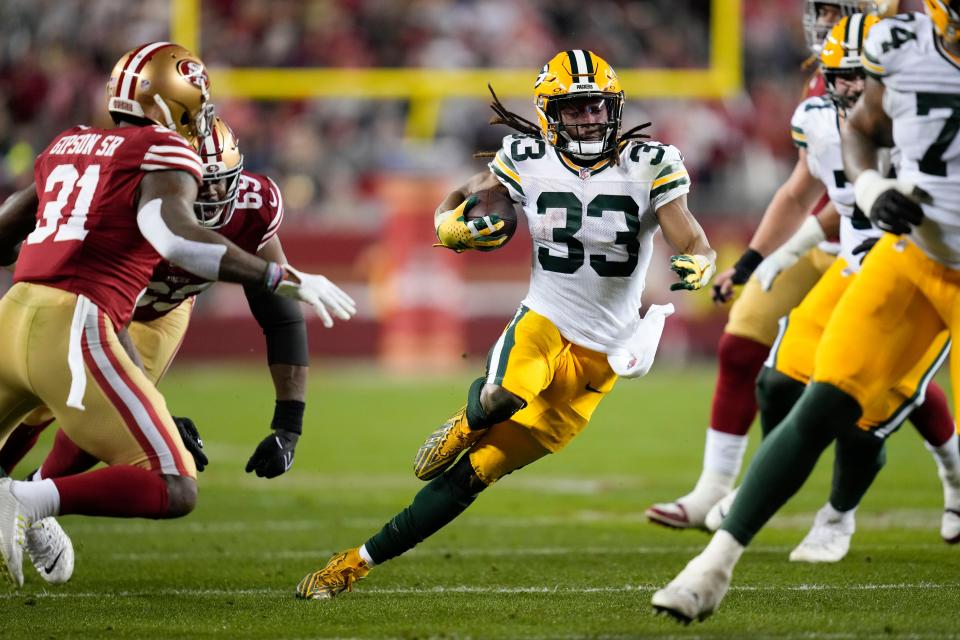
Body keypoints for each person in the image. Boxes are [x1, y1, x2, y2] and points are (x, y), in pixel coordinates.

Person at [294, 49, 716, 600]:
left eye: (597, 108)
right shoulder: (524, 156)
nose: (589, 119)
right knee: (501, 396)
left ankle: (357, 561)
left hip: (603, 358)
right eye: (576, 108)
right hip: (545, 318)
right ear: (548, 113)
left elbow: (690, 235)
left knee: (476, 475)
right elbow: (466, 196)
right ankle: (467, 420)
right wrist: (452, 224)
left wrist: (700, 262)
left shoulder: (649, 161)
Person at [0, 42, 355, 588]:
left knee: (73, 411)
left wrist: (289, 424)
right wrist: (282, 276)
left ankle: (34, 494)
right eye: (198, 185)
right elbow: (177, 237)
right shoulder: (165, 155)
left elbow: (8, 231)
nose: (205, 195)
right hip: (84, 315)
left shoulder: (74, 143)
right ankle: (23, 500)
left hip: (40, 306)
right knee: (164, 476)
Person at [652, 3, 960, 622]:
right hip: (911, 256)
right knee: (822, 397)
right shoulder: (900, 38)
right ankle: (712, 566)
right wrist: (869, 186)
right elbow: (863, 126)